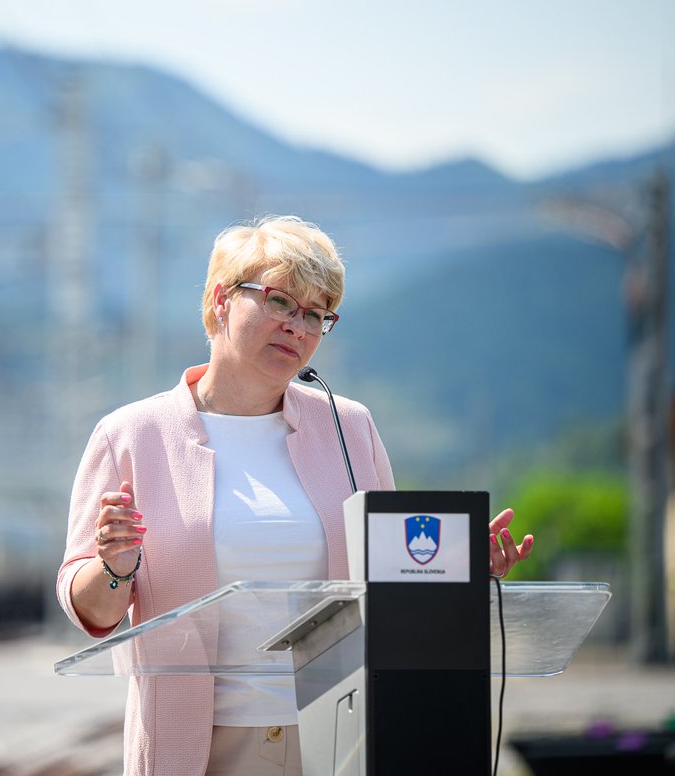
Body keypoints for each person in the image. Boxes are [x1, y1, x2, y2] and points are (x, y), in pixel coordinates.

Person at [56, 216, 534, 775]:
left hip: (342, 738)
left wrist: (461, 572)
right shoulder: (132, 435)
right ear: (221, 300)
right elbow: (88, 608)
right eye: (280, 301)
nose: (298, 326)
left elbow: (393, 579)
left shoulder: (350, 428)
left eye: (315, 314)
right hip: (201, 749)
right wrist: (115, 568)